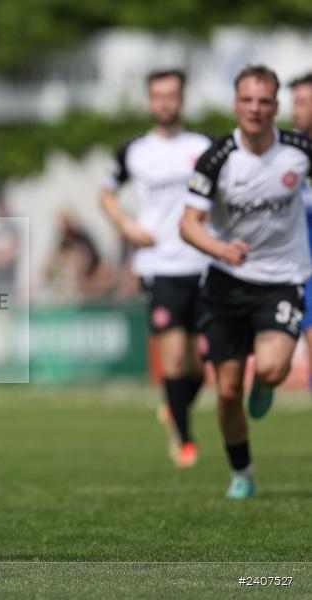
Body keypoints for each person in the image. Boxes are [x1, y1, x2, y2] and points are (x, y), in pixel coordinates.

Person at [180, 65, 312, 499]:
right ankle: (243, 473)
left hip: (282, 278)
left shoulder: (298, 149)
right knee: (228, 391)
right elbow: (188, 224)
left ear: (276, 106)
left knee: (273, 369)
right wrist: (220, 250)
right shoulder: (217, 158)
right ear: (236, 103)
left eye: (264, 101)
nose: (255, 109)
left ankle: (266, 382)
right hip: (227, 281)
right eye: (247, 100)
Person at [100, 69, 212, 468]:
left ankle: (174, 402)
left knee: (204, 362)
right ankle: (185, 440)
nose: (165, 102)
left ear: (181, 99)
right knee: (176, 358)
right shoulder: (134, 150)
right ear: (150, 101)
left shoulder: (204, 146)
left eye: (172, 95)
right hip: (159, 265)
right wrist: (127, 226)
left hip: (202, 264)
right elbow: (106, 193)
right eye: (158, 96)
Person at [289, 73, 312, 391]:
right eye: (295, 102)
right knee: (273, 364)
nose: (297, 110)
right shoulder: (283, 152)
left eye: (304, 103)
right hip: (294, 266)